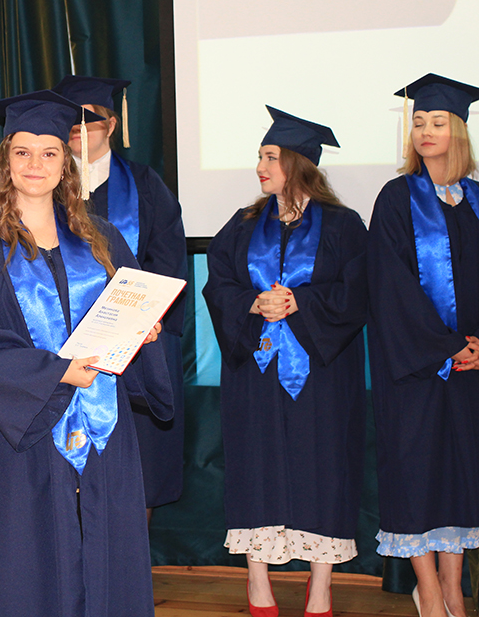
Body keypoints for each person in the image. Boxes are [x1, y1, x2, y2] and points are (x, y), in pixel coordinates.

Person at [0, 90, 173, 617]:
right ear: (6, 160)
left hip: (100, 427)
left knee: (105, 555)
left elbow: (126, 308)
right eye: (22, 152)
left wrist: (143, 332)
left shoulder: (100, 238)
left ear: (65, 163)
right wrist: (57, 373)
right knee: (25, 562)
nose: (36, 164)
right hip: (17, 431)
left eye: (49, 152)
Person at [202, 107, 367, 617]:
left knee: (324, 467)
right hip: (256, 367)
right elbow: (218, 284)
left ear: (298, 163)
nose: (260, 167)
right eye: (259, 156)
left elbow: (358, 291)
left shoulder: (343, 225)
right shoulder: (243, 224)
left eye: (270, 157)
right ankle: (258, 583)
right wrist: (253, 304)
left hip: (322, 370)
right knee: (255, 465)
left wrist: (302, 302)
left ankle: (321, 587)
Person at [369, 74, 479, 617]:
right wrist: (446, 344)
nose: (426, 131)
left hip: (470, 367)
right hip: (414, 366)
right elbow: (389, 285)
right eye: (418, 122)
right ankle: (429, 590)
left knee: (460, 474)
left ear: (458, 130)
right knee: (416, 474)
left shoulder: (477, 199)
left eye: (438, 122)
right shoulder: (396, 197)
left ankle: (454, 589)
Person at [53, 75, 188, 514]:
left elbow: (167, 259)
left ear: (112, 125)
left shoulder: (145, 185)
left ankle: (131, 550)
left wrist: (139, 319)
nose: (79, 127)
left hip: (131, 344)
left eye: (90, 119)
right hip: (62, 343)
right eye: (71, 120)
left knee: (138, 462)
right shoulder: (44, 187)